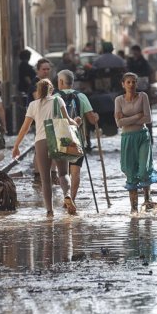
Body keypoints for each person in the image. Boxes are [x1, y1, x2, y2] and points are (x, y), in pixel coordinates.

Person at [11, 79, 74, 217]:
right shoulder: (58, 100)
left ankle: (50, 211)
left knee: (45, 179)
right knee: (63, 173)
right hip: (58, 138)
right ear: (52, 89)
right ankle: (67, 195)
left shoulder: (33, 105)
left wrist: (16, 145)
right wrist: (78, 123)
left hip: (41, 141)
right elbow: (68, 120)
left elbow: (25, 127)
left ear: (38, 91)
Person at [55, 69, 99, 215]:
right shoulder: (82, 96)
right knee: (75, 171)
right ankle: (72, 199)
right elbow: (92, 119)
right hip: (77, 139)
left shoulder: (54, 97)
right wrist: (96, 117)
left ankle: (65, 197)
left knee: (63, 172)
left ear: (61, 82)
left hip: (59, 140)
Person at [116, 72, 157, 213]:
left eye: (134, 82)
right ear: (123, 84)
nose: (131, 85)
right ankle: (133, 208)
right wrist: (137, 116)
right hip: (127, 138)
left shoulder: (143, 96)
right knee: (130, 171)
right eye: (128, 82)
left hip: (142, 136)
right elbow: (119, 123)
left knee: (144, 170)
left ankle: (147, 200)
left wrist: (127, 119)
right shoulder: (119, 100)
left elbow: (148, 119)